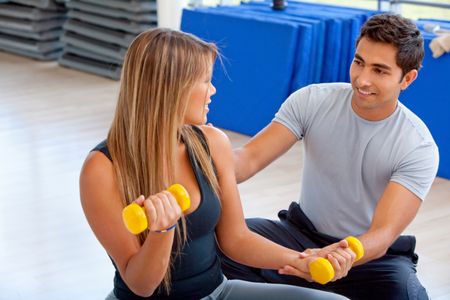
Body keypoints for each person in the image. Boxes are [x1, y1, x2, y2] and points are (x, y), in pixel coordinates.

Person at [79, 28, 351, 300]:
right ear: (173, 88)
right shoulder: (102, 169)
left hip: (218, 292)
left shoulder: (211, 142)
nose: (213, 90)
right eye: (205, 80)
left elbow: (236, 239)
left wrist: (301, 260)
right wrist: (162, 231)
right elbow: (142, 285)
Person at [220, 13, 439, 300]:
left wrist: (340, 257)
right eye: (359, 62)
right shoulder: (312, 100)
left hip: (366, 258)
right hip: (299, 235)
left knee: (407, 294)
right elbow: (246, 160)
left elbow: (383, 234)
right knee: (217, 241)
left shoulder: (417, 146)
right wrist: (198, 155)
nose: (362, 79)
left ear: (407, 79)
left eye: (380, 71)